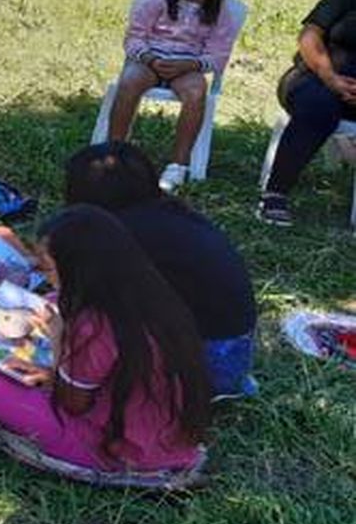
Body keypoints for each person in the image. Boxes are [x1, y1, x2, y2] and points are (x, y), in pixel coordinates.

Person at [0, 205, 212, 476]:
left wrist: (57, 347)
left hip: (114, 449)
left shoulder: (93, 325)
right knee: (49, 304)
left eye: (48, 270)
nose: (43, 276)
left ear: (78, 271)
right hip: (166, 436)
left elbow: (72, 404)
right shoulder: (148, 292)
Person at [65, 142, 257, 399]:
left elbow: (91, 303)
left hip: (205, 362)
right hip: (234, 351)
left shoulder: (120, 234)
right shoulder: (167, 214)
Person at [106, 0, 240, 193]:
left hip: (188, 64)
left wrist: (190, 65)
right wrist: (150, 58)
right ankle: (115, 152)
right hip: (150, 59)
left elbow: (218, 53)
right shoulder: (157, 1)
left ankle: (178, 165)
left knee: (196, 92)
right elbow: (134, 37)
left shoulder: (222, 13)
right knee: (129, 82)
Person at [258, 0, 356, 227]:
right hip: (315, 77)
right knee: (319, 106)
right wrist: (330, 77)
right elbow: (309, 37)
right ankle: (275, 193)